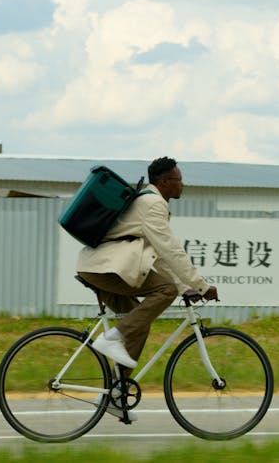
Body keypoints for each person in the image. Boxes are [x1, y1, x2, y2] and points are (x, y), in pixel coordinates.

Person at [76, 157, 218, 379]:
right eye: (179, 179)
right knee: (166, 290)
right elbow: (171, 250)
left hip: (101, 268)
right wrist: (201, 286)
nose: (182, 184)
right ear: (163, 182)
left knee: (139, 324)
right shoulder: (153, 205)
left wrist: (185, 287)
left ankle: (115, 395)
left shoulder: (147, 203)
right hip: (107, 269)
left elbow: (159, 254)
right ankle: (112, 337)